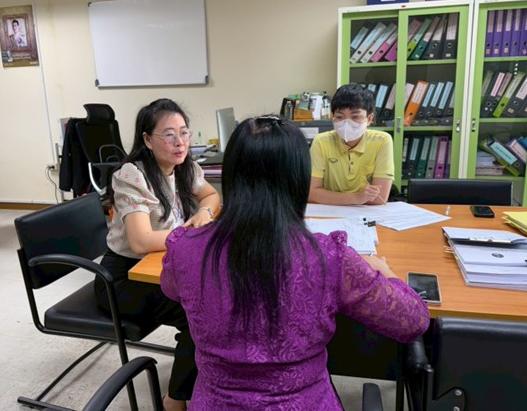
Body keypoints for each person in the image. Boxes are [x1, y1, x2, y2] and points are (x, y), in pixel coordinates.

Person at [161, 115, 430, 409]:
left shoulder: (184, 248)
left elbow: (171, 289)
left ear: (230, 175)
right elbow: (413, 321)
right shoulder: (329, 258)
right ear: (298, 178)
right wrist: (387, 275)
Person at [93, 98, 220, 411]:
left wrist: (204, 212)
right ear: (148, 140)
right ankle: (174, 401)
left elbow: (212, 195)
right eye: (169, 134)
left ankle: (207, 376)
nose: (180, 142)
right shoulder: (131, 175)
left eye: (184, 133)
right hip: (124, 279)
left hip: (163, 266)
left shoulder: (184, 167)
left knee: (217, 298)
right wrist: (193, 234)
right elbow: (141, 241)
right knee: (200, 312)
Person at [309, 83, 394, 205]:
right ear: (333, 117)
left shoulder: (382, 141)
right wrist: (356, 198)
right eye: (340, 117)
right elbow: (312, 194)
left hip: (366, 213)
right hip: (330, 211)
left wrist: (330, 197)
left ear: (369, 119)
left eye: (355, 117)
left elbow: (379, 198)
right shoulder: (321, 142)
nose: (346, 123)